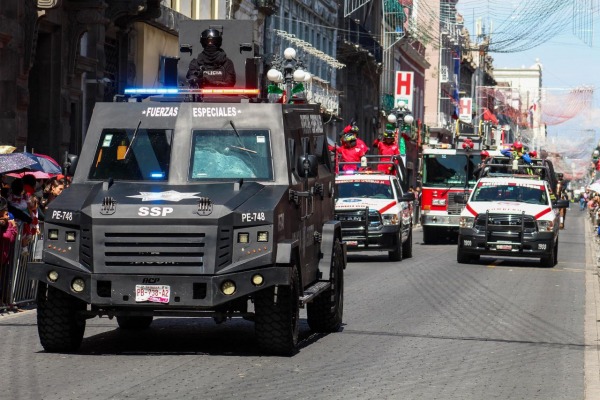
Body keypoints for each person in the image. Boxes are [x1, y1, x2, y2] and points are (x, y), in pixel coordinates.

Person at [0, 197, 18, 306]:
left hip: (3, 257)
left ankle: (2, 301)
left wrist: (12, 226)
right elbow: (7, 237)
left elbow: (11, 238)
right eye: (5, 214)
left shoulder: (7, 224)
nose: (8, 216)